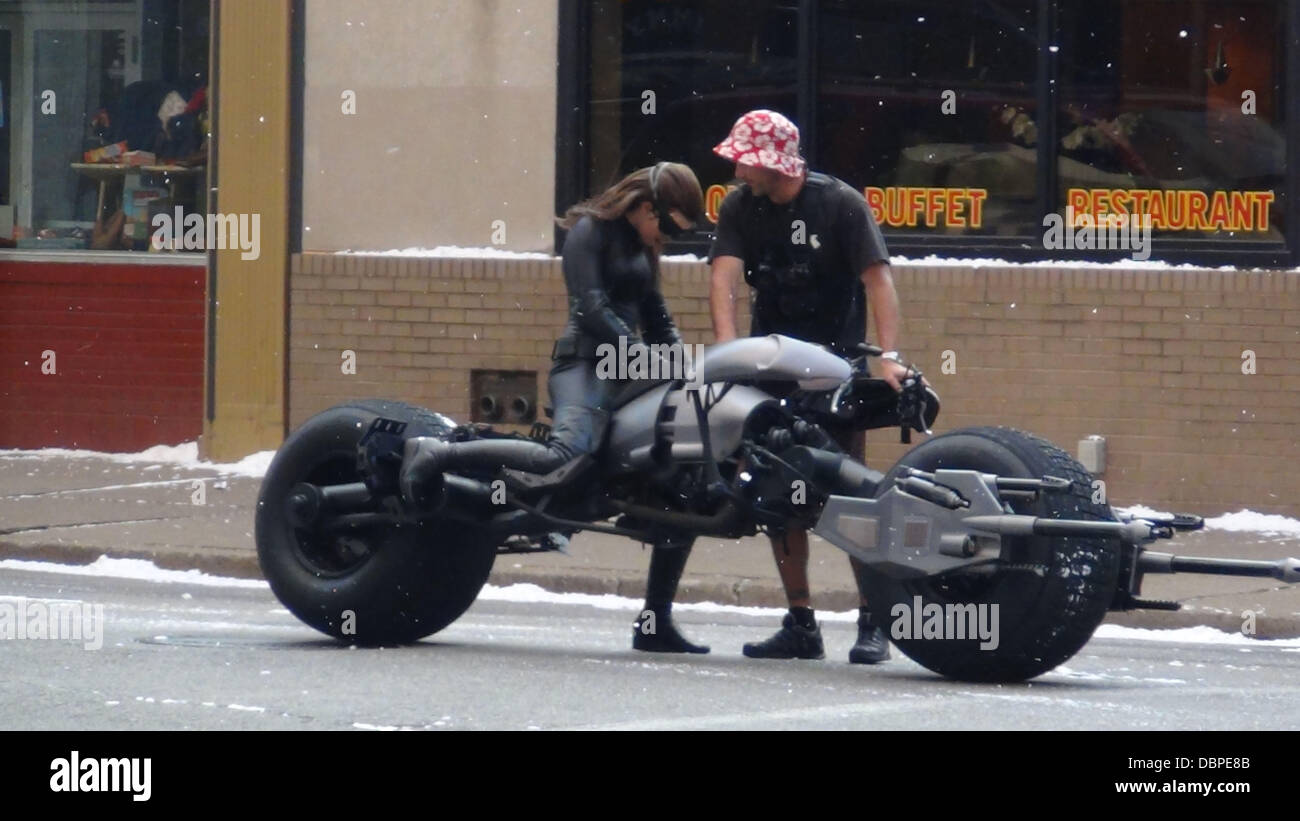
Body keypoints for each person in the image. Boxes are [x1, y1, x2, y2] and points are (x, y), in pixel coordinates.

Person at [400, 162, 710, 654]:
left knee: (679, 484)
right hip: (586, 364)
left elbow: (658, 315)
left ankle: (655, 623)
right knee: (564, 454)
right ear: (646, 206)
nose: (666, 238)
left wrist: (683, 365)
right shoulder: (589, 232)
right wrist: (638, 350)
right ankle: (436, 453)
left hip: (631, 367)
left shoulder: (642, 247)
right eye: (668, 227)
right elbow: (590, 307)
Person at [708, 110, 908, 664]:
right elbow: (724, 275)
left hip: (833, 370)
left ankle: (874, 624)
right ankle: (801, 623)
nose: (739, 170)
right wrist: (728, 355)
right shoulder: (739, 207)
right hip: (770, 371)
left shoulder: (840, 204)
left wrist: (887, 359)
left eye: (746, 160)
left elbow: (878, 281)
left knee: (851, 498)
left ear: (773, 162)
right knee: (777, 496)